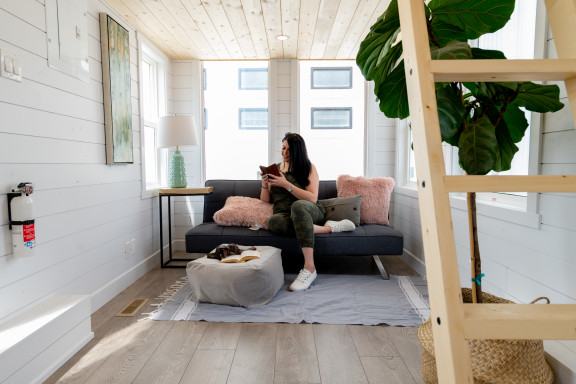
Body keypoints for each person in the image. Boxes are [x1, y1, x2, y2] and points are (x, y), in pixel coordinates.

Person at [260, 132, 355, 291]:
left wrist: (286, 185)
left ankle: (309, 268)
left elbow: (311, 198)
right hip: (284, 215)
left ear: (298, 151)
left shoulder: (308, 167)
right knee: (272, 221)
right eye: (283, 148)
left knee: (298, 206)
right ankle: (329, 228)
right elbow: (266, 200)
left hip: (309, 210)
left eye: (289, 150)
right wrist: (264, 184)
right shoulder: (275, 169)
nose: (284, 153)